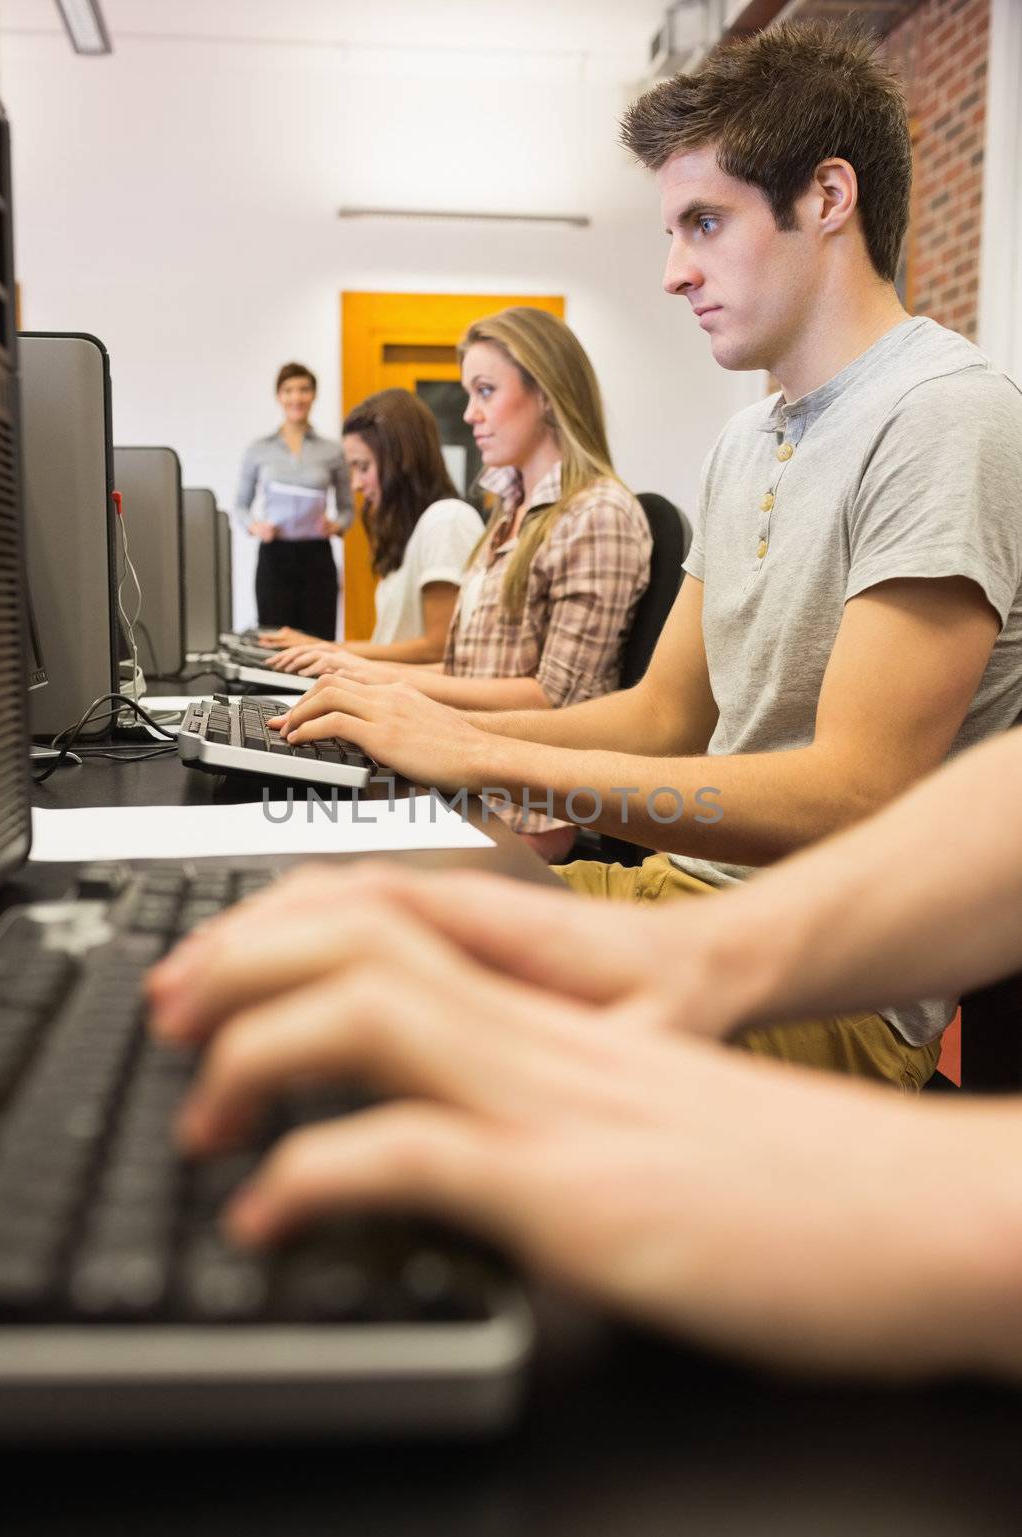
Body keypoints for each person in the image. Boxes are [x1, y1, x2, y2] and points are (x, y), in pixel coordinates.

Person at [271, 21, 1022, 1076]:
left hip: (822, 978)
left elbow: (856, 796)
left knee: (379, 1032)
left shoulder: (944, 417)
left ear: (826, 199)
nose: (674, 273)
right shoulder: (742, 439)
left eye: (702, 224)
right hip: (679, 898)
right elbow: (668, 714)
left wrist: (482, 753)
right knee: (317, 916)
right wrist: (418, 726)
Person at [148, 724, 1022, 1381]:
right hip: (711, 899)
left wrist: (967, 1197)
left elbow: (850, 789)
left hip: (859, 1006)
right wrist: (707, 955)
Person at [270, 306, 652, 862]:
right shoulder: (508, 515)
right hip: (464, 786)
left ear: (545, 393)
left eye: (486, 391)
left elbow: (557, 701)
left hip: (524, 813)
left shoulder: (597, 515)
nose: (470, 414)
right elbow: (470, 670)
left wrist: (382, 683)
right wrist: (363, 676)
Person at [259, 388, 482, 665]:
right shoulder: (414, 530)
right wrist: (324, 649)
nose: (355, 484)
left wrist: (329, 650)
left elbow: (437, 649)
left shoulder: (447, 521)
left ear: (402, 460)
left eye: (363, 467)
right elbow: (393, 644)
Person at [233, 361, 354, 638]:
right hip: (275, 556)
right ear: (279, 396)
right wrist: (256, 527)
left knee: (319, 641)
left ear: (314, 395)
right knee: (274, 640)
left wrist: (335, 526)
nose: (296, 397)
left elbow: (348, 509)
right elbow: (240, 505)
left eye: (304, 390)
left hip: (317, 557)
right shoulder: (259, 449)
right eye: (289, 390)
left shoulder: (333, 451)